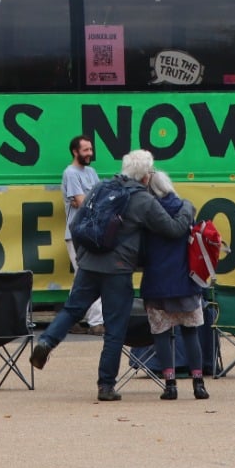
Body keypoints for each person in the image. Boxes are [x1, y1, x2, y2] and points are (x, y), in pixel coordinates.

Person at [31, 149, 193, 401]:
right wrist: (186, 208)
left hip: (89, 264)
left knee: (72, 309)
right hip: (118, 270)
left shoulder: (101, 187)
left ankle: (47, 342)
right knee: (115, 329)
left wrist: (86, 255)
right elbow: (173, 229)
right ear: (146, 176)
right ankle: (105, 386)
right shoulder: (143, 200)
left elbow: (76, 224)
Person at [139, 169, 209, 402]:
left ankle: (170, 384)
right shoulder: (186, 208)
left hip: (156, 282)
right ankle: (198, 383)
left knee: (161, 334)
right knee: (190, 333)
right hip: (185, 282)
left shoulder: (146, 215)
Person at [62, 135, 101, 327]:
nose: (90, 154)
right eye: (86, 150)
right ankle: (96, 322)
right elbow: (80, 202)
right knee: (89, 276)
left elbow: (98, 198)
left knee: (82, 278)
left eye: (90, 149)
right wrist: (97, 202)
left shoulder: (92, 172)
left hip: (92, 233)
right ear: (75, 152)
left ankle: (69, 319)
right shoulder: (70, 173)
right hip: (76, 235)